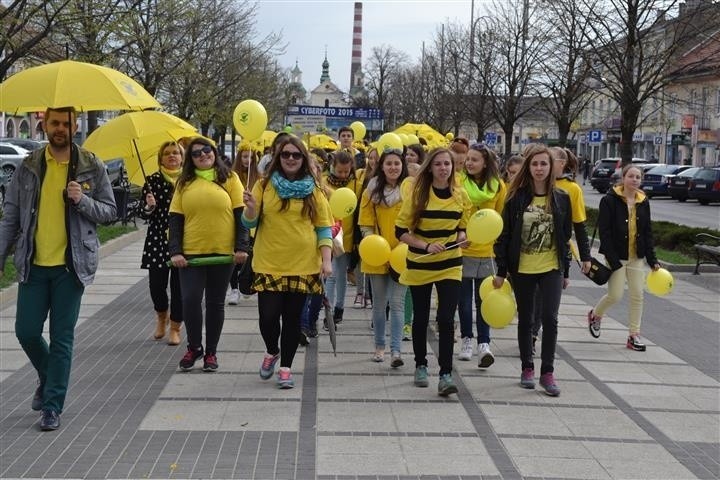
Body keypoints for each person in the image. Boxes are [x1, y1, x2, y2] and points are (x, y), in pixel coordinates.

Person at [0, 107, 117, 431]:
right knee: (26, 331)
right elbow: (10, 216)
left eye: (66, 123)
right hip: (33, 264)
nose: (61, 128)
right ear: (44, 124)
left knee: (62, 339)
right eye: (55, 123)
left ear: (74, 124)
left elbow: (109, 212)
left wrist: (82, 200)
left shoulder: (91, 165)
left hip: (71, 266)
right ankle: (48, 376)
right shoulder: (29, 166)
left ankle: (52, 406)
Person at [242, 135, 333, 389]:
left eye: (296, 155)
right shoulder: (264, 185)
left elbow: (323, 228)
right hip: (268, 262)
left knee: (293, 320)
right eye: (285, 154)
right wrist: (249, 208)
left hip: (303, 265)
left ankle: (286, 368)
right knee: (268, 317)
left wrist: (326, 261)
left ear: (303, 159)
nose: (290, 159)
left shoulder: (314, 189)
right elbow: (249, 223)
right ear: (277, 158)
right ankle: (272, 350)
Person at [493, 143, 572, 397]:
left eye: (544, 164)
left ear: (551, 168)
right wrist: (502, 270)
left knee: (550, 318)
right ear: (529, 167)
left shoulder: (562, 198)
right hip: (523, 268)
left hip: (551, 267)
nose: (539, 168)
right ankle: (527, 367)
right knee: (526, 319)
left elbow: (564, 236)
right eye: (535, 164)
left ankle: (547, 372)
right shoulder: (516, 199)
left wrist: (566, 270)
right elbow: (503, 236)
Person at [168, 137, 250, 373]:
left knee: (215, 303)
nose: (203, 155)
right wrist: (176, 251)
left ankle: (211, 352)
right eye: (196, 153)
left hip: (222, 253)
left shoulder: (230, 178)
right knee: (190, 300)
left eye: (207, 150)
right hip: (191, 254)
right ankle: (194, 347)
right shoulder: (184, 183)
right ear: (190, 160)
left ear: (214, 151)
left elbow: (240, 215)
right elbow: (175, 219)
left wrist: (242, 247)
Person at [395, 147, 470, 396]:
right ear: (430, 167)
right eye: (438, 164)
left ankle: (446, 374)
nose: (443, 168)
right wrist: (425, 245)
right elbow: (400, 231)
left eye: (447, 164)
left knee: (447, 319)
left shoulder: (460, 194)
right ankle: (420, 365)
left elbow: (463, 225)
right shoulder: (418, 194)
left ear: (453, 166)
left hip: (450, 263)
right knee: (421, 317)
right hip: (421, 262)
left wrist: (463, 237)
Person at [588, 164, 660, 351]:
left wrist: (652, 260)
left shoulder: (643, 201)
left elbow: (647, 232)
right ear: (623, 178)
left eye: (638, 177)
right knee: (615, 295)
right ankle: (596, 315)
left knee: (638, 294)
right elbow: (605, 232)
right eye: (631, 176)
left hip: (637, 256)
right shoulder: (609, 200)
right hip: (616, 257)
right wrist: (612, 260)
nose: (635, 180)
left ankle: (633, 335)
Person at [530, 148, 592, 352]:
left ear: (561, 163)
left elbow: (580, 225)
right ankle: (530, 331)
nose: (542, 166)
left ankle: (533, 333)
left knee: (545, 301)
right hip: (530, 253)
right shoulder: (533, 185)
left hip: (556, 253)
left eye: (549, 161)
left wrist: (586, 257)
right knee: (532, 297)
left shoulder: (572, 190)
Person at [457, 144, 507, 367]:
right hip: (464, 249)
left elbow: (501, 218)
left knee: (484, 299)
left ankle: (484, 343)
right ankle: (467, 339)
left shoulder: (498, 187)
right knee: (465, 301)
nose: (469, 163)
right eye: (468, 159)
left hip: (487, 252)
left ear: (485, 163)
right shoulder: (457, 183)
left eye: (474, 160)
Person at [359, 149, 408, 366]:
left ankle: (396, 351)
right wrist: (373, 242)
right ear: (382, 165)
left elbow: (416, 221)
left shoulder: (410, 190)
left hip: (402, 255)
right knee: (379, 305)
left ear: (402, 165)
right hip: (376, 254)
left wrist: (408, 243)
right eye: (389, 163)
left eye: (397, 163)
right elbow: (365, 221)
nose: (393, 167)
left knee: (397, 304)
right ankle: (379, 346)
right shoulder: (371, 190)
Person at [139, 140, 185, 345]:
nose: (172, 156)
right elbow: (143, 214)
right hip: (157, 238)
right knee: (156, 285)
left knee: (179, 287)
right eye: (167, 153)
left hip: (184, 239)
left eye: (176, 153)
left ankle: (175, 327)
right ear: (161, 158)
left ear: (182, 157)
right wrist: (149, 207)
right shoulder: (152, 181)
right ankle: (161, 317)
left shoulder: (188, 181)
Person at [322, 150, 363, 325]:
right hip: (328, 233)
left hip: (346, 236)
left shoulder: (356, 184)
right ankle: (329, 312)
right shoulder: (324, 183)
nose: (343, 174)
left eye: (346, 171)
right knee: (330, 276)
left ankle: (339, 307)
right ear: (333, 167)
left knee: (341, 275)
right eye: (340, 171)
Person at [227, 143, 259, 305]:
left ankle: (247, 282)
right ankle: (233, 289)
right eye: (245, 156)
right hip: (235, 219)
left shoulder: (259, 178)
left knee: (250, 253)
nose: (248, 160)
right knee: (234, 253)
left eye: (251, 157)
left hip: (252, 221)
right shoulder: (231, 176)